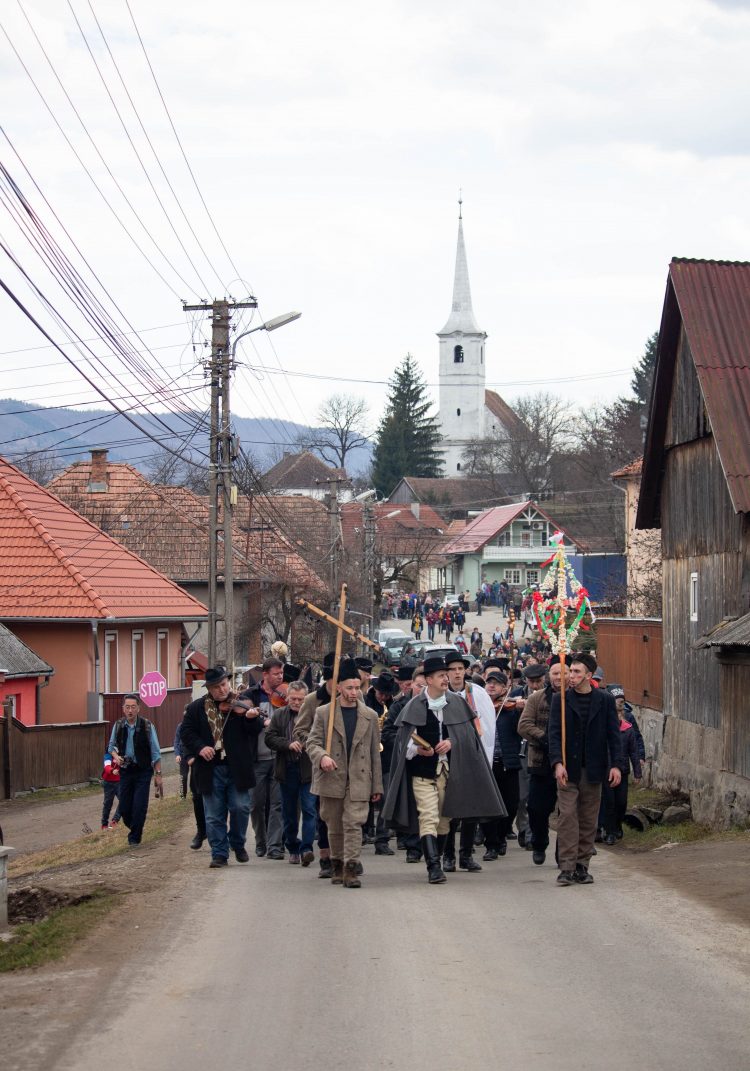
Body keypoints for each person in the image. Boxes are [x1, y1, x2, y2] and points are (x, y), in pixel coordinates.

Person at [383, 656, 505, 885]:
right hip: (422, 773)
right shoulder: (414, 705)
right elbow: (403, 741)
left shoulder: (458, 704)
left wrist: (452, 742)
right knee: (428, 817)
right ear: (428, 679)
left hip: (449, 772)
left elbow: (469, 736)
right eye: (440, 676)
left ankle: (436, 856)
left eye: (446, 675)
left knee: (444, 822)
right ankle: (434, 866)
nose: (445, 679)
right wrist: (417, 749)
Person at [306, 660, 383, 888]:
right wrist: (322, 757)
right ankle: (337, 865)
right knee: (335, 825)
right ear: (338, 687)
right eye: (349, 687)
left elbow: (374, 753)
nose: (354, 692)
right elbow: (312, 742)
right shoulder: (324, 713)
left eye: (357, 687)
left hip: (359, 778)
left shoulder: (369, 715)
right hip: (333, 777)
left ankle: (351, 868)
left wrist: (376, 786)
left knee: (353, 823)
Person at [548, 653, 622, 886]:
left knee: (589, 819)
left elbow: (614, 736)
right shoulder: (560, 700)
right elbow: (553, 734)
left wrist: (617, 765)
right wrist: (557, 763)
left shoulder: (605, 700)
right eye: (570, 671)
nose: (571, 676)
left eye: (577, 672)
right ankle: (566, 867)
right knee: (568, 817)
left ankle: (583, 865)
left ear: (589, 676)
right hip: (568, 770)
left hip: (594, 769)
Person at [180, 665, 265, 868]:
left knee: (241, 807)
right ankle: (219, 853)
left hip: (237, 767)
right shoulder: (196, 709)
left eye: (224, 684)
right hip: (210, 769)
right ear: (209, 688)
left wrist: (252, 719)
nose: (222, 690)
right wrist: (200, 748)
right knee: (213, 814)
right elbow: (186, 733)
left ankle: (237, 843)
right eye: (217, 687)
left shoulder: (242, 703)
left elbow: (253, 731)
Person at [440, 652, 496, 872]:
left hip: (473, 756)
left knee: (471, 809)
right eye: (452, 669)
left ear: (466, 671)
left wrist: (485, 757)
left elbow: (488, 728)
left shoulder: (478, 694)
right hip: (451, 758)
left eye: (460, 669)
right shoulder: (441, 695)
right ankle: (448, 855)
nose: (456, 673)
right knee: (451, 808)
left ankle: (466, 855)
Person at [518, 659, 568, 865]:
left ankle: (563, 852)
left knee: (567, 811)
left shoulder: (574, 698)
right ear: (549, 676)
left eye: (563, 673)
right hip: (541, 761)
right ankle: (539, 841)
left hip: (569, 763)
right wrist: (546, 739)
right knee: (537, 808)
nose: (559, 677)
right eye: (555, 673)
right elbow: (524, 725)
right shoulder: (537, 699)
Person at [265, 680, 316, 866]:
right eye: (293, 698)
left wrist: (308, 743)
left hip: (308, 770)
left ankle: (307, 848)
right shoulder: (279, 715)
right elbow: (269, 738)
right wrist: (287, 744)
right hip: (287, 769)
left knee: (310, 810)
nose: (296, 702)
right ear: (287, 698)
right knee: (289, 812)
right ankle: (293, 846)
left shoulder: (314, 715)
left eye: (301, 699)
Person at [381, 665, 426, 862]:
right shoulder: (399, 706)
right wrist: (406, 742)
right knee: (410, 805)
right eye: (418, 686)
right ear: (410, 686)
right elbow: (388, 733)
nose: (421, 690)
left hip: (430, 762)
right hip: (407, 761)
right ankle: (413, 847)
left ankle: (431, 846)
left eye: (425, 686)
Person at [241, 658, 285, 859]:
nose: (280, 677)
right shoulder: (251, 695)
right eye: (276, 674)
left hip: (278, 757)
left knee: (277, 803)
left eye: (281, 673)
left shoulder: (285, 695)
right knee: (257, 803)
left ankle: (275, 845)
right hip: (257, 758)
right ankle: (261, 840)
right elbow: (244, 725)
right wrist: (259, 720)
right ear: (265, 674)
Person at [108, 694, 162, 847]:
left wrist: (158, 775)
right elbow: (111, 747)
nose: (130, 710)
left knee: (139, 806)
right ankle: (135, 827)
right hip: (125, 771)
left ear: (138, 708)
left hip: (143, 771)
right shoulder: (118, 725)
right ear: (123, 709)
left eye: (133, 707)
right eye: (127, 707)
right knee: (124, 808)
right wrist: (115, 756)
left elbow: (156, 753)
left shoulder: (147, 726)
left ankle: (134, 838)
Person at [481, 672, 523, 860]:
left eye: (496, 684)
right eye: (489, 682)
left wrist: (520, 708)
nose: (491, 686)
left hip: (508, 763)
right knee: (488, 806)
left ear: (505, 689)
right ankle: (492, 844)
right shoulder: (479, 708)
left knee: (511, 804)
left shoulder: (511, 709)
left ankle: (503, 833)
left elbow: (522, 728)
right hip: (487, 764)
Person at [601, 684, 642, 844]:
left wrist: (637, 772)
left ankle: (618, 825)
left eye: (620, 713)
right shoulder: (603, 729)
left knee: (621, 802)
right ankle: (610, 831)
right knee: (609, 802)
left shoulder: (628, 729)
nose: (617, 716)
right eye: (614, 713)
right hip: (606, 771)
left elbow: (634, 752)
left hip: (623, 771)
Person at [174, 722, 206, 850]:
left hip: (208, 759)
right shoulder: (182, 725)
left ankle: (224, 834)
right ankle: (182, 795)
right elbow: (179, 740)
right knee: (184, 778)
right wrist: (180, 754)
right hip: (189, 758)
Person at [100, 751, 121, 830]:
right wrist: (112, 770)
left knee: (124, 800)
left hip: (120, 782)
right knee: (107, 804)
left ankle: (115, 820)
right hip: (108, 782)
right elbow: (107, 767)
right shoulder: (108, 755)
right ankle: (104, 824)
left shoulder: (123, 754)